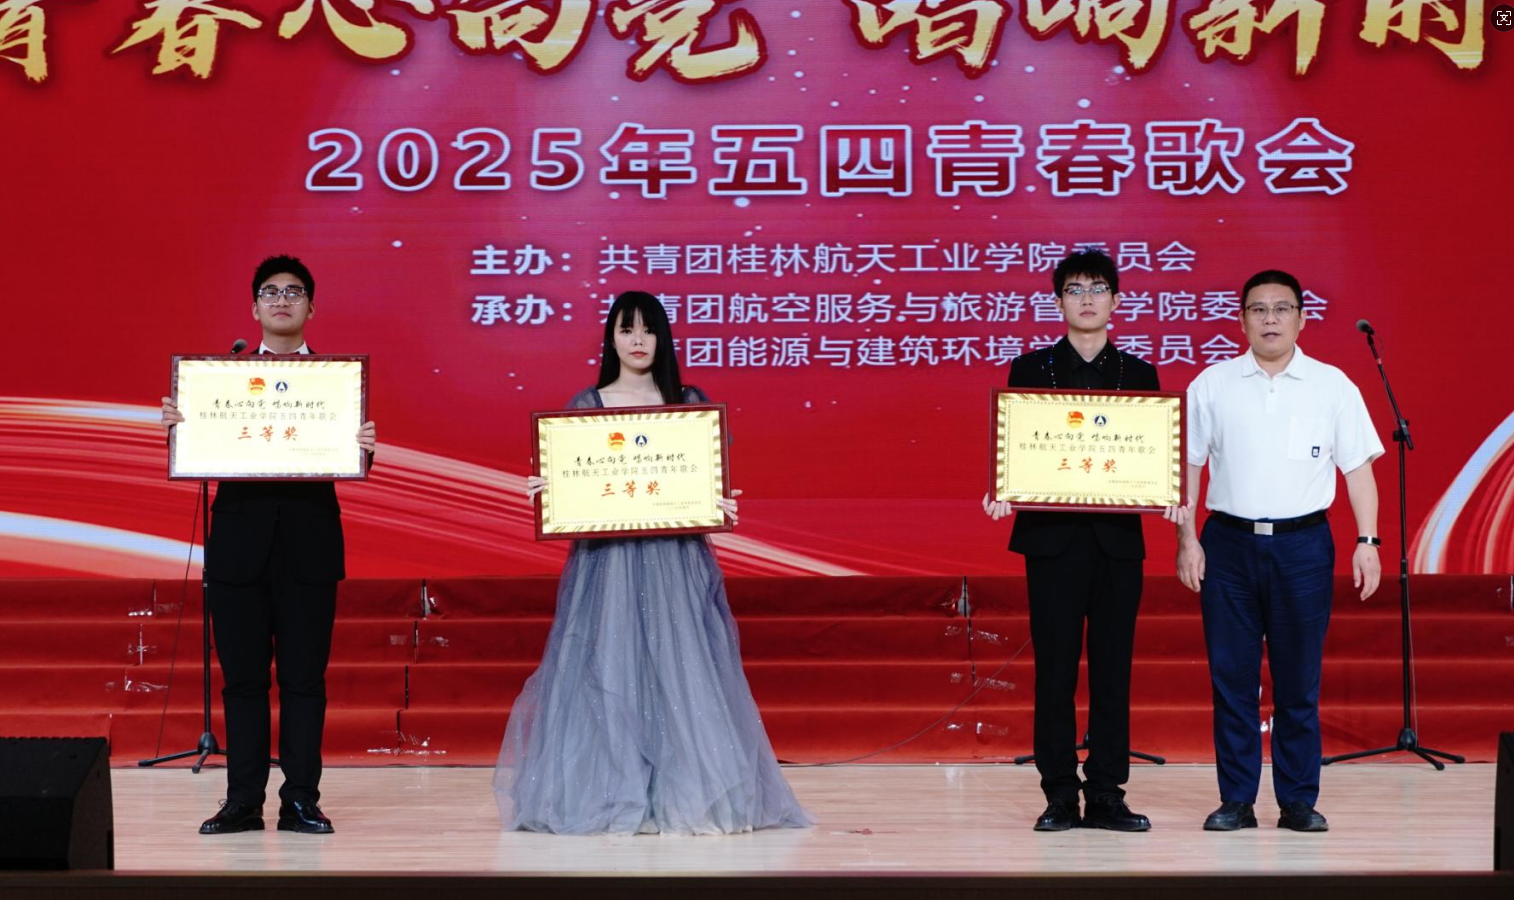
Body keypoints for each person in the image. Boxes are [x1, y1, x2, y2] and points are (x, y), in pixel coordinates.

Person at [497, 290, 812, 835]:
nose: (638, 340)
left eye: (647, 329)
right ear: (611, 339)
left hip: (674, 558)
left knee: (682, 669)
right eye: (626, 329)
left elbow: (703, 477)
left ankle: (681, 797)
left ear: (663, 337)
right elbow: (573, 481)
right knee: (608, 668)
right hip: (607, 562)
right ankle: (615, 795)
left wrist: (716, 500)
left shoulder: (688, 403)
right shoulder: (586, 406)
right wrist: (551, 490)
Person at [161, 255, 377, 835]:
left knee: (305, 681)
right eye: (271, 292)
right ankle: (242, 801)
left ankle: (301, 799)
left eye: (294, 291)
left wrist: (363, 446)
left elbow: (346, 456)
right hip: (238, 547)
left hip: (309, 547)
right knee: (243, 681)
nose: (283, 300)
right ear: (255, 307)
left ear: (312, 307)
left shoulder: (336, 384)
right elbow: (205, 446)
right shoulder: (220, 381)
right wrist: (184, 428)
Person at [984, 250, 1187, 832]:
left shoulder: (1140, 375)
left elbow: (1151, 453)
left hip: (1118, 543)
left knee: (1112, 671)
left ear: (1116, 301)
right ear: (1058, 302)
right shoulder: (1031, 369)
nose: (1088, 299)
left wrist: (1166, 491)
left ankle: (1105, 793)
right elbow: (1021, 450)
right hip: (1051, 542)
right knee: (1054, 672)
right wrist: (1005, 488)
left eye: (1098, 288)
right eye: (1075, 289)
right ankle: (1058, 795)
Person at [1176, 269, 1382, 833]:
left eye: (1281, 308)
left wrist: (1368, 540)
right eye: (1258, 309)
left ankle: (1297, 801)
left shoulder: (1333, 386)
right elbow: (1187, 469)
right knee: (1232, 679)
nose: (1270, 319)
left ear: (1301, 318)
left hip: (1303, 546)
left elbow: (1358, 470)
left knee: (1299, 681)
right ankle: (1237, 800)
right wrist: (1187, 538)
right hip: (1228, 545)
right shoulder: (1212, 384)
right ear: (1242, 320)